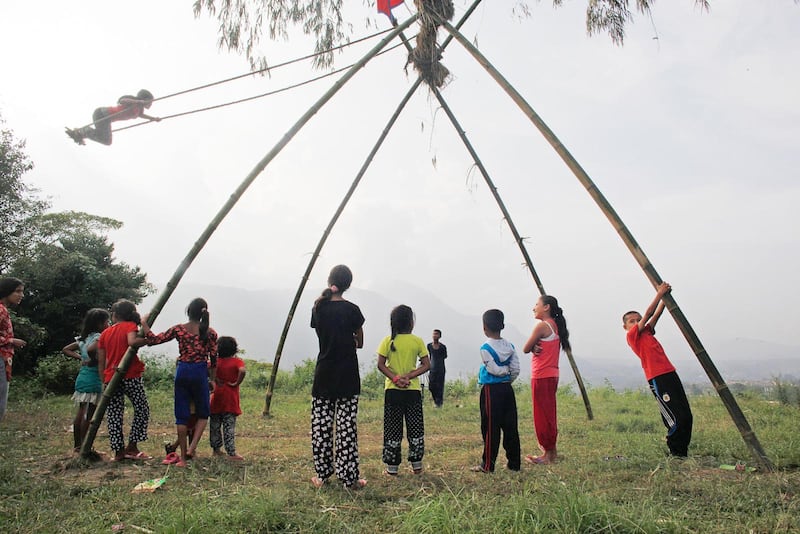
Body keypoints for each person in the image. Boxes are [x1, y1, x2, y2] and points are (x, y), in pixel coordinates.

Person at [309, 265, 367, 490]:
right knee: (346, 428)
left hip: (324, 373)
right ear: (348, 285)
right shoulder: (353, 310)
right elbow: (359, 343)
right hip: (347, 375)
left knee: (321, 427)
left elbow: (323, 337)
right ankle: (350, 479)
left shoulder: (318, 308)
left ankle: (322, 476)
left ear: (329, 280)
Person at [142, 298, 218, 467]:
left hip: (182, 370)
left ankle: (182, 458)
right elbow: (214, 358)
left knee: (181, 417)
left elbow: (154, 340)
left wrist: (144, 324)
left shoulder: (179, 329)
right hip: (200, 372)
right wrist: (212, 379)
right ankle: (192, 448)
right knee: (203, 413)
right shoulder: (210, 333)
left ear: (188, 312)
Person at [623, 282, 693, 457]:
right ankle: (674, 451)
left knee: (686, 415)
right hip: (657, 377)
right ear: (625, 327)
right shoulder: (632, 336)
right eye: (632, 321)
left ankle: (682, 452)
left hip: (669, 372)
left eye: (638, 320)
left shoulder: (647, 332)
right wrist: (659, 293)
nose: (637, 322)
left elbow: (656, 315)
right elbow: (649, 314)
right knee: (675, 417)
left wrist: (665, 297)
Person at [377, 305, 431, 476]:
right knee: (415, 427)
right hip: (412, 390)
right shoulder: (417, 341)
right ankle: (417, 466)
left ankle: (392, 468)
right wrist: (410, 376)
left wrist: (395, 378)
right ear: (411, 322)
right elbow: (426, 364)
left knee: (393, 428)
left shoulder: (387, 341)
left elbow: (380, 364)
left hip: (393, 391)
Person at [97, 299, 152, 461]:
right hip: (130, 375)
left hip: (110, 377)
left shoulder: (105, 333)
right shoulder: (130, 326)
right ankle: (132, 447)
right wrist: (149, 340)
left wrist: (103, 379)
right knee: (142, 409)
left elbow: (102, 360)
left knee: (114, 414)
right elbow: (132, 342)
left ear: (114, 315)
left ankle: (118, 452)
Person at [471, 309, 521, 473]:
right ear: (502, 325)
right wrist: (507, 378)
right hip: (507, 389)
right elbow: (515, 369)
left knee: (490, 428)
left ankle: (488, 464)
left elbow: (492, 369)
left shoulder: (485, 348)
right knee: (510, 427)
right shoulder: (510, 346)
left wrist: (502, 374)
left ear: (484, 327)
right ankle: (514, 463)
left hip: (491, 391)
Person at [522, 295, 570, 465]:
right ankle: (552, 452)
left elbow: (525, 348)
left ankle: (547, 455)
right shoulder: (556, 326)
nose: (534, 308)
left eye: (537, 304)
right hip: (552, 374)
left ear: (546, 307)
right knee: (549, 413)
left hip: (541, 375)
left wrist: (532, 347)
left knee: (542, 415)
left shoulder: (542, 326)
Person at [62, 308, 109, 452]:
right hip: (94, 378)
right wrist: (93, 360)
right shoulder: (98, 338)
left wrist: (81, 358)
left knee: (81, 411)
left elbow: (66, 349)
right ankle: (86, 446)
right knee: (90, 415)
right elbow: (92, 350)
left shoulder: (82, 339)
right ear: (101, 323)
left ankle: (77, 445)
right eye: (107, 321)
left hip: (82, 377)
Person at [65, 89, 161, 146]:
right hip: (102, 114)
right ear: (145, 99)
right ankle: (83, 131)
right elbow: (122, 100)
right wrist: (138, 102)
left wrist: (153, 118)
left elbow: (140, 115)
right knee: (106, 140)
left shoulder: (139, 110)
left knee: (105, 139)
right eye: (150, 101)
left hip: (106, 119)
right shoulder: (134, 101)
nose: (150, 104)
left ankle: (80, 134)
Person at [210, 336, 246, 461]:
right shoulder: (237, 362)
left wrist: (213, 380)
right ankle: (231, 452)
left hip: (216, 398)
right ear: (234, 349)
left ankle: (216, 450)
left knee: (215, 426)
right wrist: (236, 383)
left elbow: (206, 368)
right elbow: (242, 371)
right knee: (229, 427)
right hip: (230, 400)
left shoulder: (215, 362)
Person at [0, 278, 26, 423]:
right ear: (6, 291)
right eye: (17, 291)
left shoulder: (4, 310)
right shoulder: (1, 310)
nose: (21, 295)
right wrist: (11, 341)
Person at [427, 329, 447, 408]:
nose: (435, 336)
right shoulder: (429, 346)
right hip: (432, 369)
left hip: (441, 369)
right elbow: (429, 355)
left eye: (437, 334)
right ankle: (436, 400)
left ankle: (439, 403)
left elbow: (444, 356)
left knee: (440, 386)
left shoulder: (442, 347)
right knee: (431, 386)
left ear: (440, 336)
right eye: (434, 334)